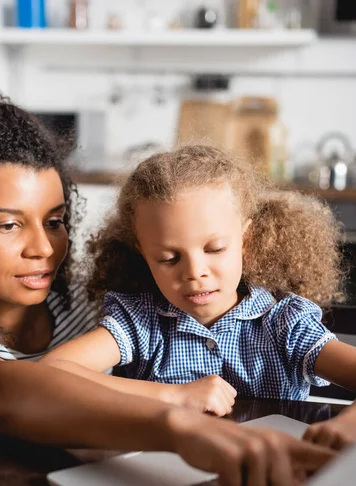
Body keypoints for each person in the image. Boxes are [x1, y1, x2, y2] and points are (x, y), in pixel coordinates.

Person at [0, 84, 339, 486]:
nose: (44, 249)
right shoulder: (126, 317)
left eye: (55, 221)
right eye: (7, 225)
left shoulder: (85, 301)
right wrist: (175, 411)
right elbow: (5, 390)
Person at [41, 144, 356, 421]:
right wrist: (172, 396)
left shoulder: (286, 324)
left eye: (215, 249)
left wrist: (343, 429)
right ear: (143, 253)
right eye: (168, 258)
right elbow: (52, 373)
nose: (194, 272)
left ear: (245, 240)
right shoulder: (139, 321)